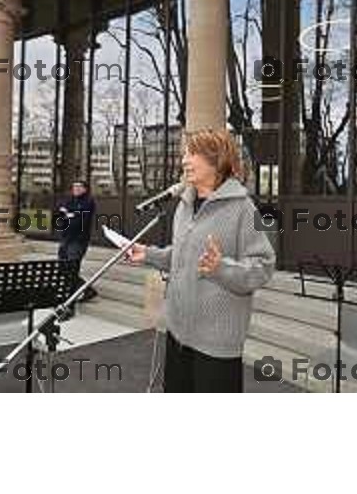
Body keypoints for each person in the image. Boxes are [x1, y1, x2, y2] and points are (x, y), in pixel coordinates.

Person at [128, 128, 276, 393]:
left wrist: (221, 268)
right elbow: (184, 255)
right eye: (184, 153)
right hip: (178, 335)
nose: (184, 160)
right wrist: (149, 254)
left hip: (215, 344)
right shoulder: (185, 204)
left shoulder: (243, 207)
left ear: (216, 160)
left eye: (192, 153)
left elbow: (263, 266)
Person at [55, 180, 97, 305]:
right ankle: (87, 289)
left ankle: (72, 298)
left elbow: (79, 221)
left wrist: (68, 215)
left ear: (85, 189)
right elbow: (59, 217)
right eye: (74, 187)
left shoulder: (88, 202)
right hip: (65, 239)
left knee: (72, 269)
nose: (76, 189)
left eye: (79, 187)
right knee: (62, 268)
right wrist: (69, 215)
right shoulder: (69, 200)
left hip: (78, 241)